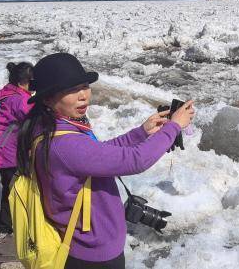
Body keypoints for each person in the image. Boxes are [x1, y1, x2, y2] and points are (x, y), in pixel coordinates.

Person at [16, 53, 194, 269]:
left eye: (84, 86)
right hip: (93, 253)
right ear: (47, 98)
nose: (83, 96)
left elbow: (97, 153)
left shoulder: (51, 127)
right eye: (71, 90)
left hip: (80, 244)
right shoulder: (64, 144)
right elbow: (136, 160)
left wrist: (140, 133)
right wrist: (174, 127)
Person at [0, 62, 34, 233]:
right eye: (32, 82)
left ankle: (9, 222)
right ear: (24, 83)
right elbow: (34, 115)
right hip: (10, 152)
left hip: (4, 149)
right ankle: (7, 225)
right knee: (13, 189)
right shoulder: (19, 99)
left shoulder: (7, 93)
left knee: (10, 187)